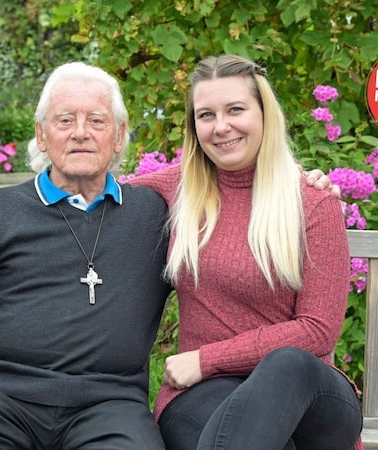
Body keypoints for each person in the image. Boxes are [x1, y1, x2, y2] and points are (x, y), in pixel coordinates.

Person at [0, 60, 338, 449]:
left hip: (109, 405)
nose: (80, 133)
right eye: (65, 120)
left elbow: (237, 191)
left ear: (118, 138)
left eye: (97, 121)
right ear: (41, 134)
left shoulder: (155, 210)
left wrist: (301, 182)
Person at [129, 54, 363, 450]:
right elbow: (98, 191)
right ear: (194, 127)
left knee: (285, 362)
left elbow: (318, 331)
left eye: (235, 109)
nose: (221, 127)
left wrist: (206, 359)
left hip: (308, 397)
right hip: (205, 394)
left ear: (264, 114)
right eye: (206, 115)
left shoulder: (311, 202)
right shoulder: (180, 189)